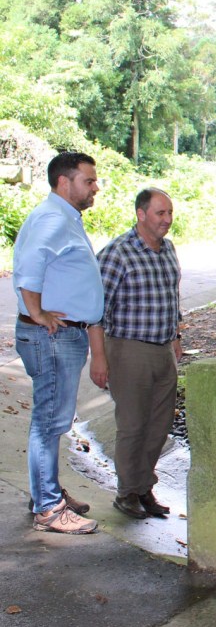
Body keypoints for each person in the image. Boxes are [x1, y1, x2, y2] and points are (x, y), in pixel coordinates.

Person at [13, 151, 103, 534]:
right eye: (88, 180)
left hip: (60, 335)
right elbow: (29, 266)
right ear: (64, 182)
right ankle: (49, 509)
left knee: (50, 420)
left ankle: (44, 493)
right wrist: (37, 312)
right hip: (52, 336)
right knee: (49, 422)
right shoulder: (54, 218)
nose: (95, 187)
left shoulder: (62, 217)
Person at [89, 188, 182, 520]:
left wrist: (175, 336)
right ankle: (127, 492)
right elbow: (95, 310)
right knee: (132, 424)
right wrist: (99, 357)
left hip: (163, 350)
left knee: (159, 425)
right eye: (160, 213)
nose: (167, 220)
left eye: (170, 213)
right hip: (128, 350)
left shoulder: (168, 249)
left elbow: (171, 296)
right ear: (141, 214)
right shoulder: (118, 253)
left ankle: (143, 487)